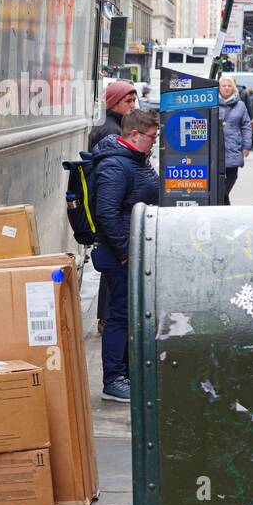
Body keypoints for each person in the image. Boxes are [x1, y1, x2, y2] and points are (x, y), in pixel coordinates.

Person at [90, 107, 160, 403]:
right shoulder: (116, 166)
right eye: (152, 137)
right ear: (134, 135)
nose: (155, 142)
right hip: (121, 254)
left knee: (130, 313)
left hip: (133, 251)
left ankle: (127, 375)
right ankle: (114, 380)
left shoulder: (135, 160)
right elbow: (105, 212)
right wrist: (124, 253)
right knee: (119, 315)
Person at [218, 75, 252, 203]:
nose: (227, 88)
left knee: (232, 176)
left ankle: (221, 199)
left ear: (233, 88)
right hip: (216, 148)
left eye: (229, 85)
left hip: (233, 146)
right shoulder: (213, 103)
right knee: (217, 179)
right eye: (224, 85)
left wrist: (247, 145)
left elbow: (246, 126)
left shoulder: (241, 105)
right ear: (219, 88)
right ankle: (223, 202)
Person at [89, 80, 137, 150]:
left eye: (134, 100)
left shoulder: (114, 124)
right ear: (113, 104)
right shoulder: (111, 131)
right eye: (128, 101)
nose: (133, 106)